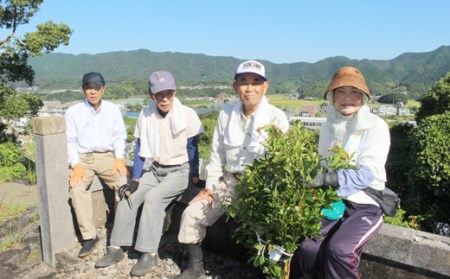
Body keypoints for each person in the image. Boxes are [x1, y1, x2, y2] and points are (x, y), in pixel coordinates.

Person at [175, 60, 290, 278]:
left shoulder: (277, 118)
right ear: (234, 86)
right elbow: (217, 154)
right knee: (192, 213)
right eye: (243, 82)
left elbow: (281, 165)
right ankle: (195, 267)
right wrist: (209, 187)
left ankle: (265, 272)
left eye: (256, 82)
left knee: (268, 228)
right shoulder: (226, 115)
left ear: (265, 86)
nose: (249, 88)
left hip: (261, 187)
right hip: (229, 183)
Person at [94, 71, 204, 277]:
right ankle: (116, 247)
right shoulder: (145, 114)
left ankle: (149, 252)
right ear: (150, 94)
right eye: (159, 94)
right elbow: (139, 148)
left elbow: (193, 147)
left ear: (174, 92)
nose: (164, 98)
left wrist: (195, 176)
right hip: (154, 169)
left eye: (169, 93)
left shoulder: (187, 114)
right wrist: (135, 178)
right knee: (128, 195)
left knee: (153, 199)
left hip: (179, 171)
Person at [289, 66, 391, 279]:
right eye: (340, 92)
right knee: (308, 247)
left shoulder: (375, 126)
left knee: (340, 250)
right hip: (334, 201)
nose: (347, 98)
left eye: (354, 92)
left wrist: (326, 179)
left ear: (363, 97)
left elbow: (367, 174)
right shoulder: (328, 126)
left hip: (366, 204)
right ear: (332, 97)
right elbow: (323, 163)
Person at [65, 72, 128, 258]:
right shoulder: (73, 112)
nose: (93, 92)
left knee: (123, 184)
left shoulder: (112, 109)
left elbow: (119, 136)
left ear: (103, 89)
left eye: (97, 88)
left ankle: (122, 230)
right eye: (89, 88)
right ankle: (89, 236)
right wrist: (75, 165)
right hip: (84, 158)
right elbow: (69, 141)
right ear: (83, 90)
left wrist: (119, 158)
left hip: (108, 156)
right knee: (77, 189)